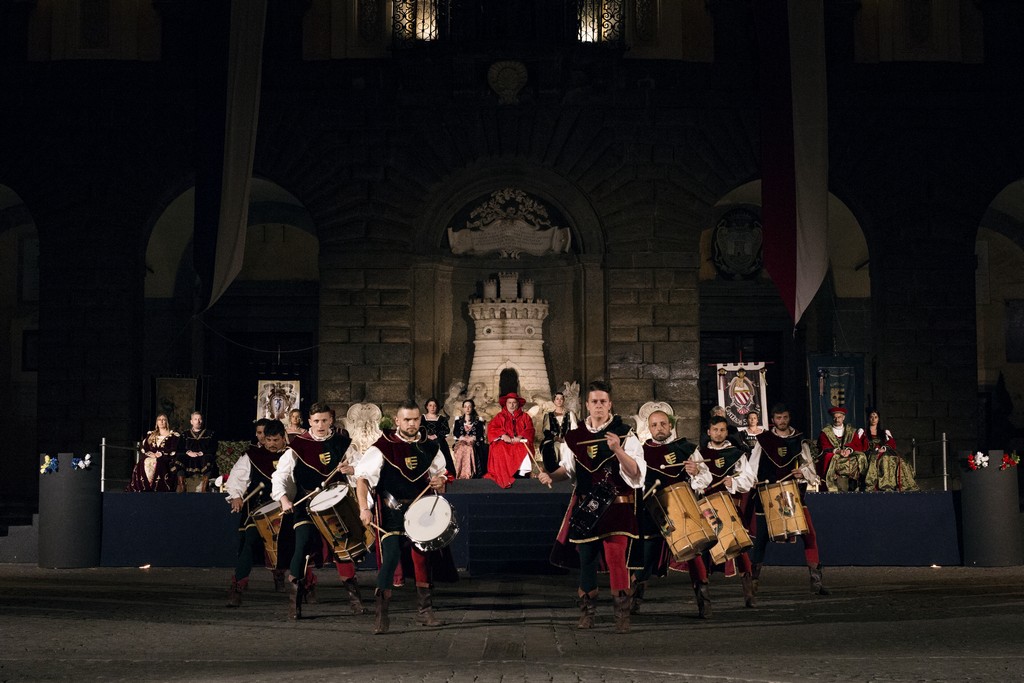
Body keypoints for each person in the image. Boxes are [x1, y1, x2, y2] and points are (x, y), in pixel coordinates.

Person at [538, 380, 645, 634]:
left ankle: (621, 615)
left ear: (610, 404)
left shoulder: (625, 433)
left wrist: (617, 450)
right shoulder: (575, 437)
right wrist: (550, 476)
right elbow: (568, 470)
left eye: (603, 401)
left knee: (617, 560)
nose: (598, 405)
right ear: (587, 405)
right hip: (587, 507)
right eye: (594, 401)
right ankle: (587, 612)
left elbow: (636, 473)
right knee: (586, 560)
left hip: (617, 508)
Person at [355, 401, 450, 635]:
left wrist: (440, 481)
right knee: (391, 556)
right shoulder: (382, 447)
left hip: (421, 510)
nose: (412, 423)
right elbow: (363, 479)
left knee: (422, 559)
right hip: (392, 511)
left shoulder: (429, 447)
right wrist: (364, 508)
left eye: (415, 419)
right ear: (397, 421)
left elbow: (441, 475)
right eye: (407, 419)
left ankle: (425, 611)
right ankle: (381, 613)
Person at [271, 402, 362, 619]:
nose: (320, 425)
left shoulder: (343, 443)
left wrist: (352, 469)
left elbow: (363, 469)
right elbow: (280, 476)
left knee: (343, 547)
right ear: (309, 422)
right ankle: (295, 602)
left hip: (335, 504)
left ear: (331, 420)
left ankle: (355, 599)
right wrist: (283, 499)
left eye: (324, 420)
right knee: (301, 544)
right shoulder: (297, 446)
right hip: (306, 504)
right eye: (316, 421)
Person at [734, 403, 829, 596]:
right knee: (761, 539)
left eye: (785, 417)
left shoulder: (799, 440)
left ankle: (816, 580)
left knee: (809, 535)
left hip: (792, 494)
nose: (782, 421)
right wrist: (750, 482)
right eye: (778, 418)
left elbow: (810, 470)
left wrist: (802, 473)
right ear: (773, 420)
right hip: (767, 494)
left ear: (789, 418)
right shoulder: (763, 440)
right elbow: (751, 468)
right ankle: (753, 582)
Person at [631, 407, 712, 617]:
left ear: (670, 426)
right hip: (652, 512)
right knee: (646, 557)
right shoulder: (641, 451)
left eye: (663, 424)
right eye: (654, 425)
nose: (659, 428)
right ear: (649, 428)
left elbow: (706, 479)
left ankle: (704, 601)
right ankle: (634, 599)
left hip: (683, 510)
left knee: (694, 554)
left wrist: (696, 472)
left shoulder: (686, 448)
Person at [690, 415, 757, 610]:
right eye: (715, 430)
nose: (718, 433)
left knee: (739, 547)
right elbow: (695, 484)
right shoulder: (699, 454)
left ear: (727, 432)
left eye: (722, 430)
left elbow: (749, 480)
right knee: (703, 550)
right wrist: (696, 476)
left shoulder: (736, 454)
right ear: (708, 432)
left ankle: (749, 594)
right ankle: (704, 598)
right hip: (705, 508)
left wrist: (733, 482)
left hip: (729, 505)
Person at [224, 419, 288, 606]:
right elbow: (237, 477)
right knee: (250, 543)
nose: (271, 444)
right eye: (268, 440)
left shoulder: (292, 454)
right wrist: (236, 496)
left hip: (286, 508)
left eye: (276, 440)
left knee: (298, 545)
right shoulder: (252, 455)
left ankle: (305, 586)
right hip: (259, 510)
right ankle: (238, 586)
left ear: (283, 438)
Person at [858, 408, 919, 492]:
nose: (873, 419)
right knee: (885, 459)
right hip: (871, 452)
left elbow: (892, 443)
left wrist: (884, 448)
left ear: (878, 419)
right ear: (868, 418)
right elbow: (857, 444)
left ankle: (902, 485)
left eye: (876, 417)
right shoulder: (863, 432)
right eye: (871, 417)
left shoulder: (884, 432)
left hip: (884, 451)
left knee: (898, 459)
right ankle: (885, 485)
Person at [484, 392, 535, 488]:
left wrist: (520, 437)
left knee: (522, 448)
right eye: (509, 403)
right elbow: (492, 428)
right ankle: (504, 476)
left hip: (519, 442)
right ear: (506, 404)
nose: (512, 405)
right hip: (504, 442)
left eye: (514, 403)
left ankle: (521, 474)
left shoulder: (525, 416)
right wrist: (502, 435)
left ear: (518, 404)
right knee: (499, 448)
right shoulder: (499, 416)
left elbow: (530, 429)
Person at [126, 413, 180, 492]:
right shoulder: (151, 435)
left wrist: (161, 454)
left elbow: (174, 448)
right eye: (159, 420)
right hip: (150, 457)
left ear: (167, 422)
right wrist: (150, 454)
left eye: (163, 420)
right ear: (157, 422)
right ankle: (143, 487)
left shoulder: (173, 436)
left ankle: (157, 487)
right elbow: (145, 447)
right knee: (142, 462)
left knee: (159, 463)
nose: (161, 421)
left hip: (165, 458)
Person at [818, 406, 867, 492]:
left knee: (861, 456)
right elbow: (824, 446)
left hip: (849, 455)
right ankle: (833, 485)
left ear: (843, 418)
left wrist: (849, 450)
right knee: (829, 457)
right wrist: (838, 451)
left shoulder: (851, 431)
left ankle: (861, 484)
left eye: (839, 417)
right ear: (832, 418)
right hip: (835, 455)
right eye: (835, 417)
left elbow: (857, 444)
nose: (837, 420)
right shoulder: (826, 432)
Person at [177, 411, 218, 493]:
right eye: (195, 419)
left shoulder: (210, 434)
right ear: (191, 421)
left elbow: (213, 447)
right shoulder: (185, 434)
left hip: (203, 456)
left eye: (200, 419)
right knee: (180, 457)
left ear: (202, 421)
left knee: (209, 458)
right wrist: (188, 452)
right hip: (189, 457)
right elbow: (179, 448)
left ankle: (204, 486)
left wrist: (202, 452)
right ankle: (182, 485)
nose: (198, 421)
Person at [540, 391, 578, 473]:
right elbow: (546, 431)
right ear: (554, 401)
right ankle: (554, 471)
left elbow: (574, 429)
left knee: (569, 446)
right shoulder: (548, 415)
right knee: (549, 447)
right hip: (553, 439)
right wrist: (556, 438)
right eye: (557, 399)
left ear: (564, 400)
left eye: (561, 399)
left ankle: (568, 470)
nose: (559, 401)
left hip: (567, 439)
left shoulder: (570, 414)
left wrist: (567, 438)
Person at [421, 397, 456, 477]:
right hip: (425, 440)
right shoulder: (421, 418)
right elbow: (419, 429)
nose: (432, 407)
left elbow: (446, 430)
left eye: (434, 405)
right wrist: (426, 436)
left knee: (440, 444)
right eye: (430, 405)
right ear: (427, 407)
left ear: (437, 407)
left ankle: (444, 473)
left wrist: (436, 435)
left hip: (438, 440)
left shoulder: (442, 419)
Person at [452, 399, 487, 479]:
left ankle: (469, 473)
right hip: (461, 441)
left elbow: (480, 433)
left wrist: (473, 438)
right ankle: (459, 472)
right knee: (462, 447)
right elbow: (456, 432)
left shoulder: (478, 421)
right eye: (465, 407)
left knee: (469, 448)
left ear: (473, 408)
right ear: (463, 408)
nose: (467, 409)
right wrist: (462, 438)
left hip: (473, 442)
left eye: (469, 406)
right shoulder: (458, 420)